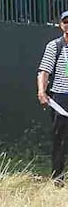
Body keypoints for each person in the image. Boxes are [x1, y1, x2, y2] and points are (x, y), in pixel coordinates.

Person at [37, 12, 68, 183]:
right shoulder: (54, 46)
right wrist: (41, 92)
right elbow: (44, 71)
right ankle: (58, 177)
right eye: (66, 21)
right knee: (60, 138)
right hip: (60, 99)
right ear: (60, 25)